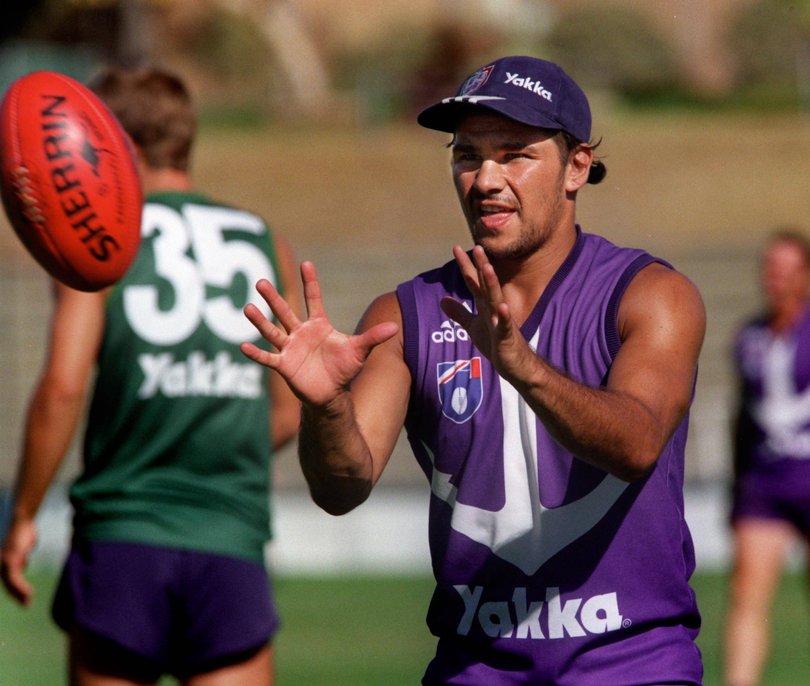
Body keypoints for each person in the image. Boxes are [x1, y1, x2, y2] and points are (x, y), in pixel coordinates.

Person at [242, 55, 706, 684]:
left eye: (514, 154)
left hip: (630, 663)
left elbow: (637, 443)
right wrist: (326, 406)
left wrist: (524, 366)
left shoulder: (650, 296)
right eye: (467, 156)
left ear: (575, 168)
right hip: (475, 667)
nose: (486, 178)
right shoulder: (405, 315)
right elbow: (341, 487)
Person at [0, 67, 301, 686]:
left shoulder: (98, 237)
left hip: (124, 533)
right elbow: (290, 406)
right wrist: (205, 449)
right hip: (231, 536)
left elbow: (62, 386)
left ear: (112, 145)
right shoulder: (263, 238)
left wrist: (23, 514)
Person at [724, 230, 810, 686]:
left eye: (785, 270)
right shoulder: (749, 338)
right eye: (769, 268)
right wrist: (736, 490)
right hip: (765, 487)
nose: (774, 279)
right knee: (746, 595)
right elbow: (743, 417)